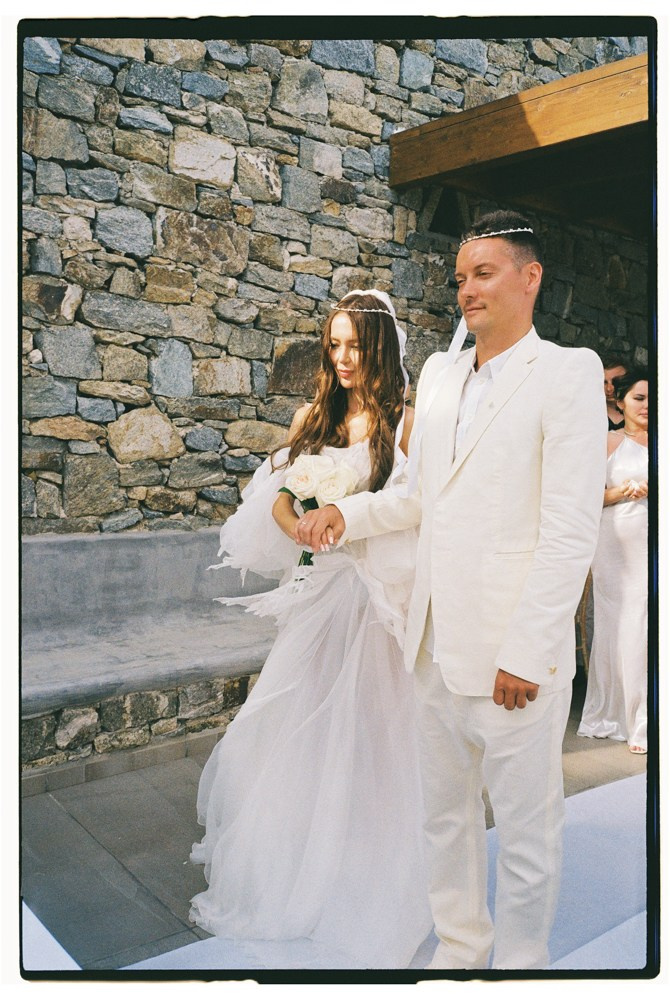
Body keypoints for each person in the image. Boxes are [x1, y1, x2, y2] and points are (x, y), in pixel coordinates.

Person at [298, 210, 608, 970]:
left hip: (513, 662)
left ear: (530, 278)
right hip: (430, 645)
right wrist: (347, 510)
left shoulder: (567, 373)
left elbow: (570, 532)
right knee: (445, 818)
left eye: (485, 273)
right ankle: (462, 953)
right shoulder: (437, 376)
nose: (466, 289)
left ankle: (521, 967)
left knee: (528, 834)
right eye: (461, 276)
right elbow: (418, 499)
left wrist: (530, 653)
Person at [189, 290, 433, 969]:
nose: (344, 357)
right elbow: (275, 496)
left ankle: (371, 876)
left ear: (380, 345)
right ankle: (298, 868)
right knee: (299, 719)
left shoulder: (406, 423)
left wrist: (348, 518)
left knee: (378, 735)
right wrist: (298, 523)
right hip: (320, 592)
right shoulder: (312, 416)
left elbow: (418, 508)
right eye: (335, 343)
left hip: (377, 599)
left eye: (356, 343)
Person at [578, 369, 648, 754]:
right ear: (620, 402)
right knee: (617, 622)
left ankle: (645, 717)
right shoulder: (607, 442)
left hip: (652, 539)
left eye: (653, 399)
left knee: (645, 622)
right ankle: (614, 713)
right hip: (614, 543)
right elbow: (586, 496)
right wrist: (621, 491)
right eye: (639, 398)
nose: (647, 406)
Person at [602, 355, 629, 430]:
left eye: (616, 381)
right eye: (604, 382)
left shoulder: (641, 414)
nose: (609, 388)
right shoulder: (591, 415)